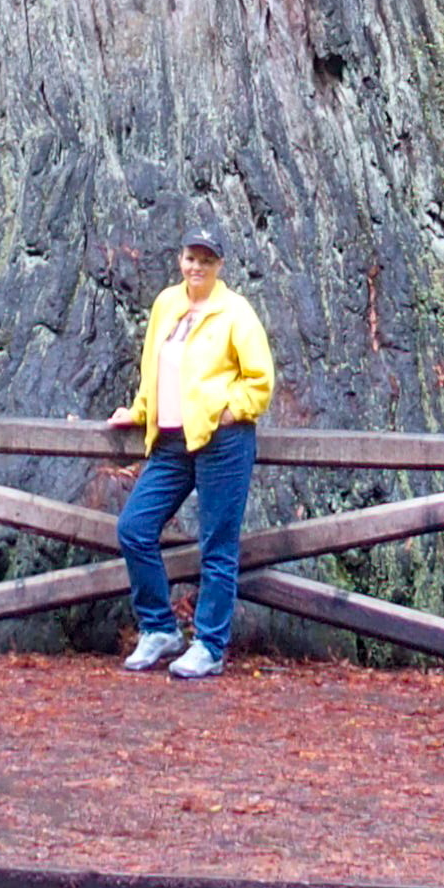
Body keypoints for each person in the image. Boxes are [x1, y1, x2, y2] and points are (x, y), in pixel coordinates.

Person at [114, 226, 274, 677]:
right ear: (180, 259)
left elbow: (260, 379)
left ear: (219, 265)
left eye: (206, 260)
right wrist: (139, 411)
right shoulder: (167, 303)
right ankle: (159, 628)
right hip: (170, 440)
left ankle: (209, 645)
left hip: (222, 441)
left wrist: (231, 411)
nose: (196, 267)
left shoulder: (235, 311)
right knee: (134, 527)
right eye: (190, 258)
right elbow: (155, 368)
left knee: (217, 545)